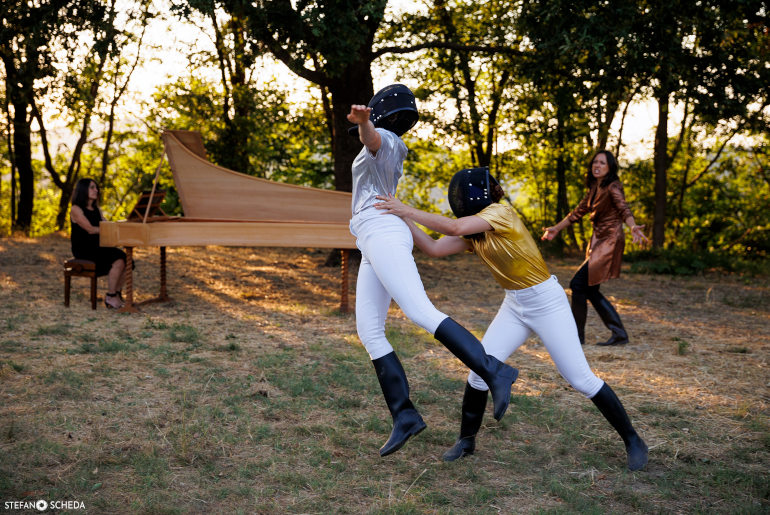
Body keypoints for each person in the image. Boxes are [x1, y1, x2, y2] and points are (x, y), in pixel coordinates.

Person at [374, 167, 648, 471]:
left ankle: (633, 440)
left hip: (546, 302)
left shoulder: (500, 212)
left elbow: (452, 228)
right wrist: (402, 217)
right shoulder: (475, 232)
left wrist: (405, 208)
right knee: (479, 371)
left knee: (580, 379)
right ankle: (466, 441)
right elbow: (434, 248)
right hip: (515, 305)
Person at [347, 84, 519, 458]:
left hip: (382, 232)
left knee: (420, 310)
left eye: (369, 121)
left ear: (380, 115)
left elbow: (374, 140)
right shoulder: (380, 150)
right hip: (372, 237)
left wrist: (364, 124)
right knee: (369, 330)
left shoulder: (388, 140)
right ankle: (404, 415)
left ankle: (494, 371)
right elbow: (370, 145)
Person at [541, 150, 648, 346]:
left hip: (610, 239)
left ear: (610, 168)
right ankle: (617, 334)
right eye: (595, 163)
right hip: (598, 240)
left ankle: (578, 336)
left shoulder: (613, 186)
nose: (597, 166)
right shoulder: (594, 187)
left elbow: (624, 209)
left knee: (578, 284)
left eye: (602, 163)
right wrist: (555, 229)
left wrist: (632, 226)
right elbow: (577, 212)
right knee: (588, 289)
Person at [70, 178, 127, 309]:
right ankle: (111, 296)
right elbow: (90, 229)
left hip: (98, 247)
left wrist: (119, 226)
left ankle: (116, 294)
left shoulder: (97, 209)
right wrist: (108, 228)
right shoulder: (76, 209)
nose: (96, 190)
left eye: (96, 188)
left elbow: (107, 225)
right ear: (83, 190)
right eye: (92, 187)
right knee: (119, 259)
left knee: (127, 260)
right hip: (84, 249)